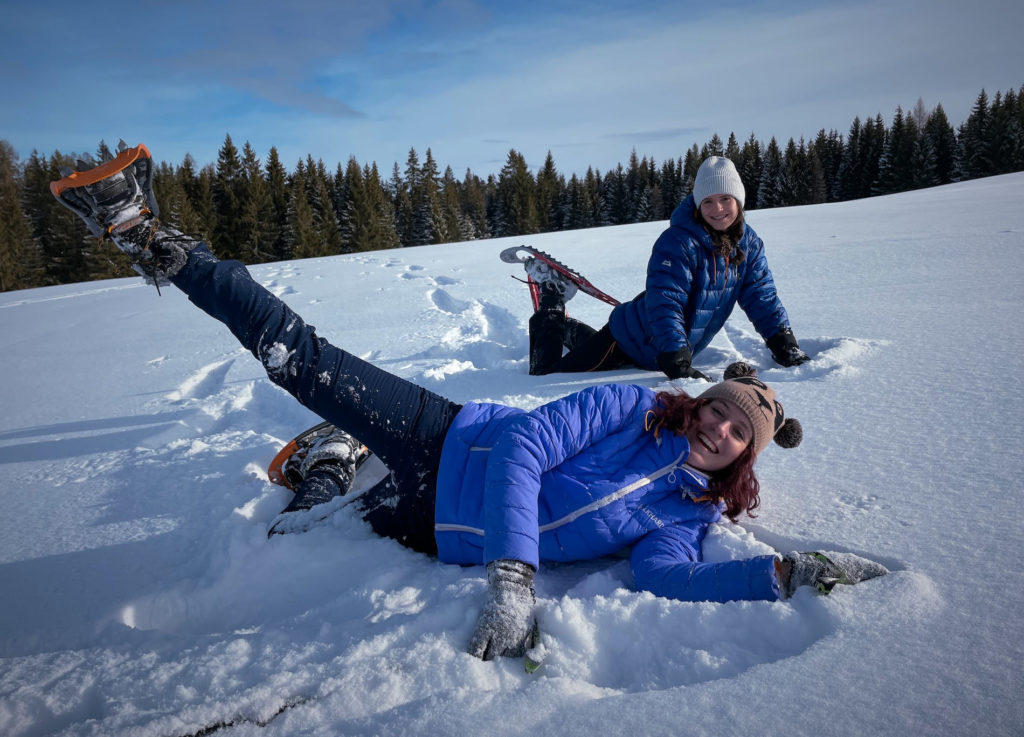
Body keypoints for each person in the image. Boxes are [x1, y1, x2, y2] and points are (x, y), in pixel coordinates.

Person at [51, 143, 886, 662]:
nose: (717, 425)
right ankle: (154, 238)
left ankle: (330, 462)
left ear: (745, 455)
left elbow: (666, 579)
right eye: (718, 408)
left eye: (737, 430)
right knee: (304, 361)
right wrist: (517, 579)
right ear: (700, 400)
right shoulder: (633, 409)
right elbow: (523, 450)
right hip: (443, 438)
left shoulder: (687, 516)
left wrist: (777, 575)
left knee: (293, 529)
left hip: (434, 526)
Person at [526, 156, 811, 380]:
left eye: (726, 199)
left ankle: (563, 328)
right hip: (628, 339)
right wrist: (676, 356)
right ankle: (552, 297)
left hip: (656, 347)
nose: (718, 209)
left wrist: (783, 342)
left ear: (739, 201)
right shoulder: (677, 242)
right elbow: (667, 302)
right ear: (698, 206)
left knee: (589, 349)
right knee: (545, 373)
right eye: (708, 201)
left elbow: (761, 296)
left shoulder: (748, 245)